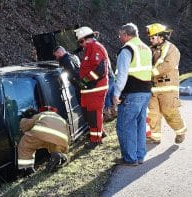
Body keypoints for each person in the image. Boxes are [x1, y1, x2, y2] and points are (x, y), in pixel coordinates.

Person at [113, 23, 152, 165]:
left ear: (126, 35)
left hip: (131, 93)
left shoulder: (127, 50)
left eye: (120, 35)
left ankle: (130, 159)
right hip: (146, 91)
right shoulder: (146, 48)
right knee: (140, 125)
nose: (119, 38)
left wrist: (116, 93)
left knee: (125, 125)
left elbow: (122, 75)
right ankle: (140, 156)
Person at [145, 23, 187, 144]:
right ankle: (155, 137)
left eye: (153, 37)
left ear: (161, 37)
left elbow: (167, 65)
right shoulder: (150, 50)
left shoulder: (171, 49)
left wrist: (149, 73)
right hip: (153, 88)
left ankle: (180, 132)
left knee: (170, 112)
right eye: (150, 38)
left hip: (167, 88)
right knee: (153, 114)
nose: (150, 40)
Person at [74, 26, 109, 149]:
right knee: (88, 113)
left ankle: (96, 139)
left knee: (94, 113)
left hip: (96, 88)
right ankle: (99, 132)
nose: (81, 45)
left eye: (81, 42)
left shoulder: (95, 47)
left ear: (85, 39)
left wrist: (85, 80)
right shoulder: (89, 49)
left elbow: (100, 70)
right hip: (89, 88)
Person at [17, 106, 69, 175]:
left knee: (25, 144)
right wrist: (65, 148)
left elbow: (24, 126)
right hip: (62, 138)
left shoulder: (38, 116)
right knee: (53, 143)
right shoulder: (57, 116)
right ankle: (59, 155)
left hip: (41, 133)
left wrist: (23, 120)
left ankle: (27, 168)